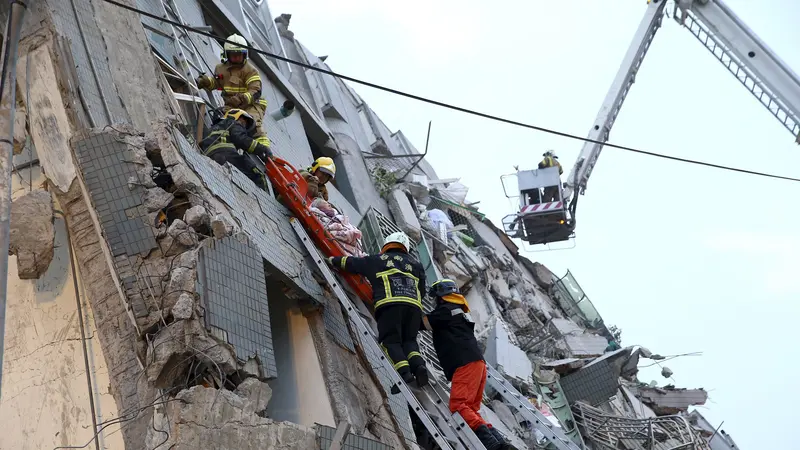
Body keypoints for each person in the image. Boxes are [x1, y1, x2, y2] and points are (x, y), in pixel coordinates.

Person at [326, 231, 429, 388]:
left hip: (390, 306)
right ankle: (419, 366)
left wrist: (333, 260)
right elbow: (422, 290)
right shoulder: (417, 265)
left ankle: (405, 374)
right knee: (409, 341)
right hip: (414, 308)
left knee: (391, 341)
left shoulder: (378, 260)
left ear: (387, 245)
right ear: (405, 248)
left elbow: (353, 264)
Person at [422, 279, 513, 450]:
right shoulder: (458, 311)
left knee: (458, 405)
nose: (435, 301)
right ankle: (502, 445)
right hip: (477, 364)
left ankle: (493, 446)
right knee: (471, 409)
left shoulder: (446, 310)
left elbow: (423, 323)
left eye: (436, 298)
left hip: (465, 364)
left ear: (441, 296)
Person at [196, 34, 271, 149]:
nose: (236, 57)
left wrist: (241, 98)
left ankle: (266, 151)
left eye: (239, 55)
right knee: (223, 123)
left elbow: (256, 91)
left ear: (244, 55)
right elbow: (217, 83)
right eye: (233, 55)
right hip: (231, 106)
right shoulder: (220, 68)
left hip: (252, 104)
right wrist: (207, 82)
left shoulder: (250, 71)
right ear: (227, 54)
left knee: (253, 122)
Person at [199, 109, 272, 190]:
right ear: (236, 116)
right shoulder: (232, 122)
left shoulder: (213, 128)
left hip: (210, 156)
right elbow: (240, 138)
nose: (244, 125)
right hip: (226, 155)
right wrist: (262, 149)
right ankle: (262, 196)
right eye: (244, 121)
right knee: (257, 173)